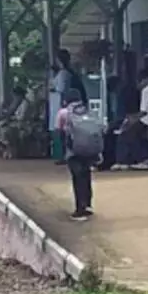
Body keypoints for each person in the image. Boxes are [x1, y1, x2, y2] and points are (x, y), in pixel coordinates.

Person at [56, 88, 98, 221]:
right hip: (90, 149)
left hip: (73, 150)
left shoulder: (63, 112)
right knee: (86, 175)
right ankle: (88, 204)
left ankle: (80, 208)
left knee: (77, 177)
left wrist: (64, 151)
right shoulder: (89, 111)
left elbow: (59, 131)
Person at [50, 50, 87, 164]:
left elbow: (61, 89)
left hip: (63, 105)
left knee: (63, 131)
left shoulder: (63, 74)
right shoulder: (70, 73)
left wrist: (52, 89)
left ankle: (65, 154)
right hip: (69, 105)